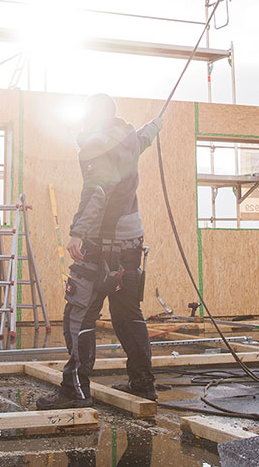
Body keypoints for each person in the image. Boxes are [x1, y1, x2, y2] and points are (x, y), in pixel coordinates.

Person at [38, 93, 162, 410]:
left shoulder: (95, 145)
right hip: (132, 245)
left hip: (102, 246)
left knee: (79, 316)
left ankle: (75, 391)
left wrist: (77, 233)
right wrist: (155, 124)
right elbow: (145, 137)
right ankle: (142, 384)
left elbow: (97, 191)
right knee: (128, 316)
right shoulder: (130, 138)